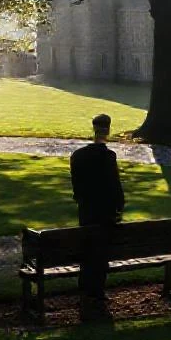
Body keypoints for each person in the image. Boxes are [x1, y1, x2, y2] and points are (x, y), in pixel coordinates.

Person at [70, 113, 125, 299]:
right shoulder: (109, 157)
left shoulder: (77, 156)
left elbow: (77, 189)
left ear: (93, 129)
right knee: (101, 253)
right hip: (105, 214)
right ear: (108, 130)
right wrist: (119, 207)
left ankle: (85, 289)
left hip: (87, 212)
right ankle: (98, 291)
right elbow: (115, 187)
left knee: (87, 249)